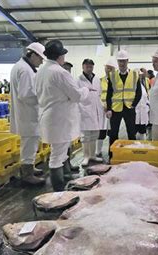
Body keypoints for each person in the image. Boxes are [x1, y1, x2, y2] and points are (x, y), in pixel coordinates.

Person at [36, 39, 90, 192]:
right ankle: (59, 191)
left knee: (61, 151)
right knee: (56, 156)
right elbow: (77, 96)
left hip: (49, 116)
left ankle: (65, 177)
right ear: (60, 56)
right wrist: (85, 90)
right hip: (59, 119)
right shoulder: (60, 72)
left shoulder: (41, 71)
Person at [10, 42, 47, 185]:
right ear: (32, 55)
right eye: (40, 58)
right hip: (28, 114)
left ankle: (29, 167)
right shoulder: (25, 70)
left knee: (29, 143)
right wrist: (43, 96)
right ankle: (27, 174)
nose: (41, 61)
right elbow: (26, 95)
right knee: (29, 144)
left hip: (26, 113)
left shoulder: (21, 66)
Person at [106, 49, 142, 155]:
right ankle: (112, 154)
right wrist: (109, 108)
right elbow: (109, 94)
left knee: (131, 132)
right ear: (117, 62)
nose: (122, 63)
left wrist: (134, 105)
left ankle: (133, 154)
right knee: (113, 133)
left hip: (129, 108)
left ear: (127, 61)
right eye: (120, 61)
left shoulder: (135, 75)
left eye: (124, 61)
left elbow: (139, 93)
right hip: (115, 108)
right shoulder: (112, 75)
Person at [77, 58, 105, 166]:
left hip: (96, 109)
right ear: (83, 67)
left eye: (91, 66)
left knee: (95, 134)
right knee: (85, 135)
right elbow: (77, 95)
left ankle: (93, 155)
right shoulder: (78, 80)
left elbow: (100, 93)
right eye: (87, 66)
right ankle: (86, 156)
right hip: (84, 110)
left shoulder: (97, 79)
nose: (89, 68)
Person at [97, 59, 116, 158]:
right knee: (101, 131)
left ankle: (112, 151)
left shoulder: (116, 81)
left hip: (114, 109)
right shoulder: (101, 80)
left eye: (110, 68)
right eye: (106, 67)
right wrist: (103, 105)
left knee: (112, 132)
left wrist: (111, 107)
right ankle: (98, 152)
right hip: (102, 108)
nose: (108, 69)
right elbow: (98, 95)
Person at [135, 68, 150, 140]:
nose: (140, 77)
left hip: (143, 112)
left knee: (142, 130)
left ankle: (142, 146)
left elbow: (146, 98)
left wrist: (148, 106)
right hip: (135, 113)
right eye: (138, 75)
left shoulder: (142, 85)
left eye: (140, 75)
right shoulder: (132, 86)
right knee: (134, 131)